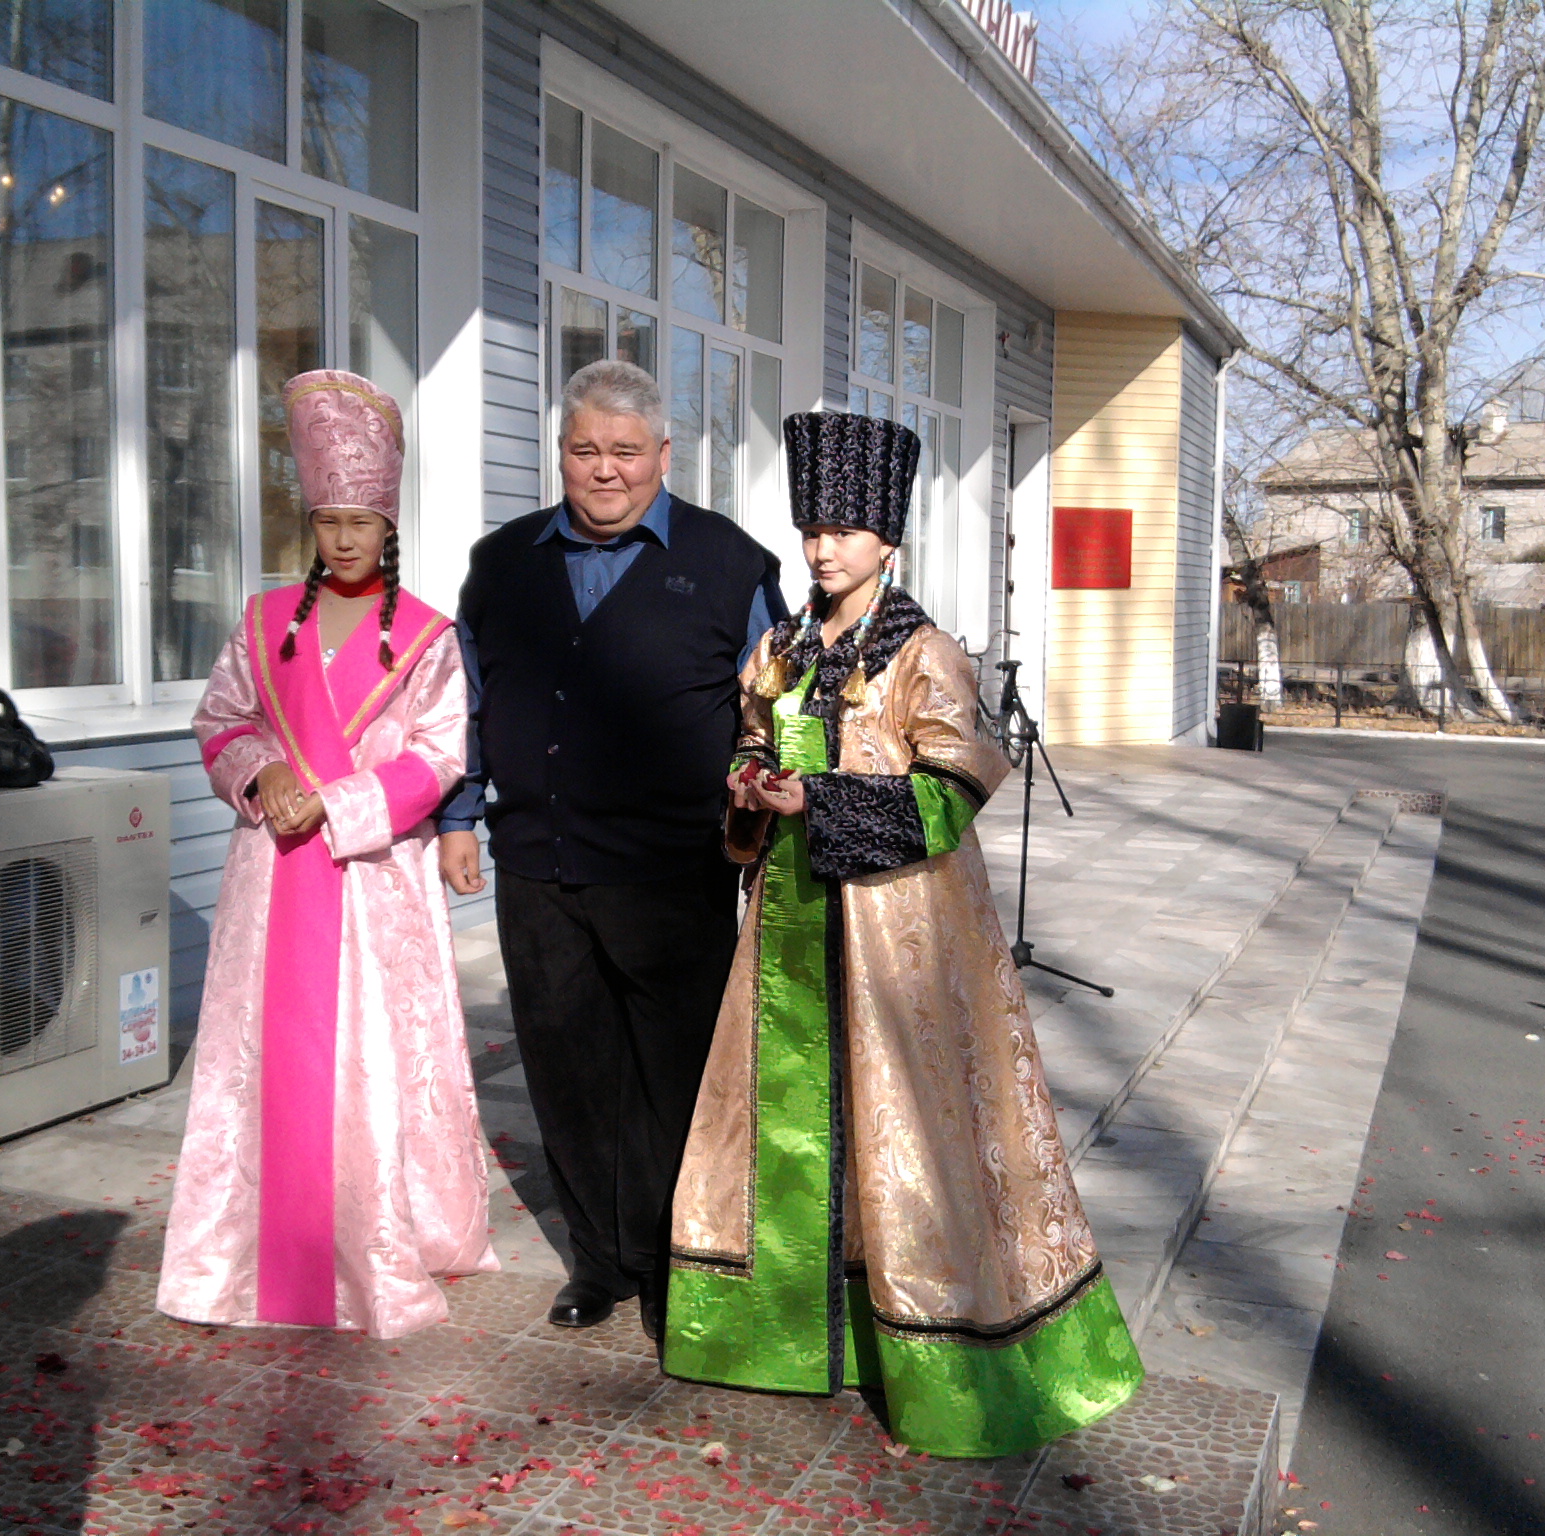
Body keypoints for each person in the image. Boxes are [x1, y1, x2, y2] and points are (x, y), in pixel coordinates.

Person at [664, 412, 1143, 1458]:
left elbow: (953, 791)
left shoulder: (926, 656)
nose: (821, 548)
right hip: (789, 926)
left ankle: (932, 1343)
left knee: (907, 1127)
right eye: (811, 529)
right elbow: (750, 738)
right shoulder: (780, 648)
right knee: (792, 1115)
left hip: (901, 934)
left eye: (842, 530)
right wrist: (749, 784)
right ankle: (784, 1331)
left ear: (888, 538)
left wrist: (822, 801)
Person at [438, 360, 786, 1338]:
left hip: (673, 872)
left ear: (663, 456)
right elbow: (465, 699)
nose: (604, 470)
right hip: (536, 864)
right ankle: (600, 1261)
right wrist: (458, 816)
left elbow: (773, 714)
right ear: (560, 453)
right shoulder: (501, 563)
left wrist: (765, 815)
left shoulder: (730, 563)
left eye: (625, 452)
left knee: (674, 1078)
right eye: (585, 449)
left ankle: (677, 1262)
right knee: (566, 1071)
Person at [158, 369, 496, 1338]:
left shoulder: (427, 636)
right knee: (266, 1057)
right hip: (271, 877)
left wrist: (339, 801)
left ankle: (377, 1235)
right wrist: (263, 772)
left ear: (389, 525)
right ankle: (255, 1250)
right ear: (309, 523)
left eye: (362, 522)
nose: (345, 539)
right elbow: (221, 720)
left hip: (372, 881)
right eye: (328, 522)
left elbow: (440, 753)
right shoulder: (263, 624)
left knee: (373, 1057)